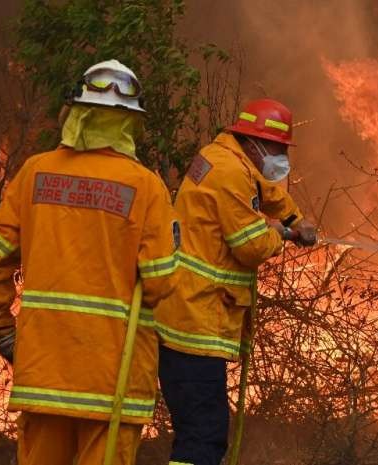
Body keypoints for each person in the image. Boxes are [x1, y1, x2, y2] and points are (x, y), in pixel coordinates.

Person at [0, 59, 179, 465]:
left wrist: (5, 334)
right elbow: (160, 283)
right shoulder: (146, 187)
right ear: (131, 123)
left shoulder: (35, 173)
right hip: (113, 380)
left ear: (76, 113)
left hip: (44, 374)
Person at [155, 98, 317, 465]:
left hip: (189, 318)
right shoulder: (230, 172)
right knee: (203, 438)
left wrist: (295, 219)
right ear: (255, 143)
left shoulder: (225, 157)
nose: (281, 157)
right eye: (278, 149)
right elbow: (250, 246)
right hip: (194, 326)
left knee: (200, 434)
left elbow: (265, 191)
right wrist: (280, 234)